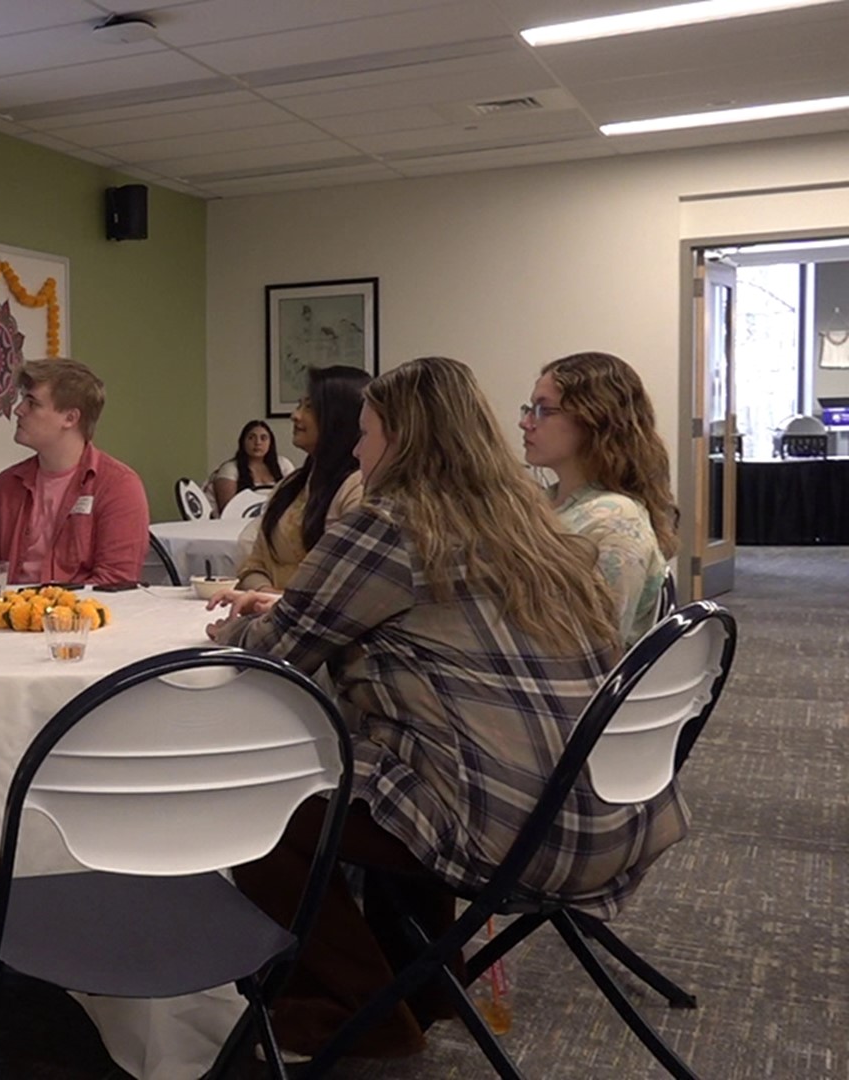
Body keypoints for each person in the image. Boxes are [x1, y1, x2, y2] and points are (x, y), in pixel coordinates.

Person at [205, 356, 685, 1059]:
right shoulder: (530, 522)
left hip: (510, 829)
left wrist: (229, 630)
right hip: (604, 810)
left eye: (366, 435)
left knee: (253, 808)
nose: (357, 450)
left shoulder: (393, 525)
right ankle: (428, 986)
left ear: (401, 439)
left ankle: (361, 1010)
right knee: (400, 772)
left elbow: (279, 648)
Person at [523, 351, 677, 646]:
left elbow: (594, 646)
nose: (526, 423)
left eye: (544, 411)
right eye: (528, 409)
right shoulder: (547, 502)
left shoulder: (615, 520)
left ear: (594, 418)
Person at [0, 359, 150, 586]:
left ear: (70, 418)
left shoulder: (118, 486)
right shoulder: (6, 484)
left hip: (78, 617)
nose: (18, 409)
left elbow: (115, 582)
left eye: (32, 403)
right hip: (5, 616)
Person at [234, 366, 371, 592]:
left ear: (339, 417)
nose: (295, 415)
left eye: (309, 407)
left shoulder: (358, 487)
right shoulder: (292, 484)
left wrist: (276, 604)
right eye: (299, 405)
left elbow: (349, 585)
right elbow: (254, 561)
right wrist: (262, 593)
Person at [210, 419, 290, 511]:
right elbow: (228, 510)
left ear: (271, 443)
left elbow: (295, 499)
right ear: (243, 441)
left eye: (263, 438)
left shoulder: (283, 464)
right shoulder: (230, 469)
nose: (258, 443)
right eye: (251, 438)